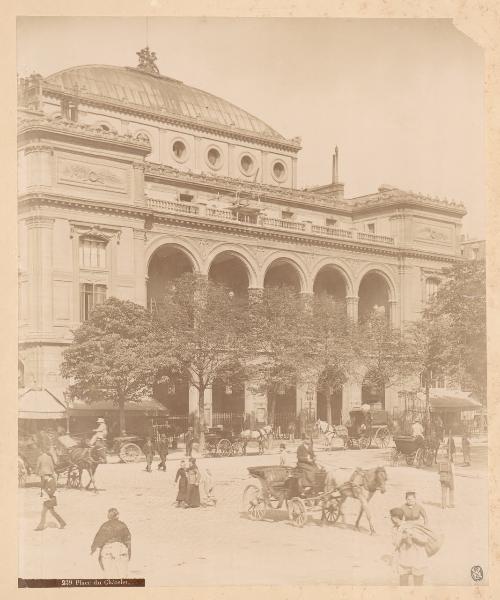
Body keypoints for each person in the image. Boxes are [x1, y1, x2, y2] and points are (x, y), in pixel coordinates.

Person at [389, 507, 428, 586]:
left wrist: (412, 534)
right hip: (404, 560)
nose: (390, 519)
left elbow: (424, 540)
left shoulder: (411, 526)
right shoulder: (395, 529)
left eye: (391, 517)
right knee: (403, 586)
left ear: (395, 518)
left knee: (418, 587)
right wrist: (403, 536)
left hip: (417, 560)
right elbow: (395, 543)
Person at [91, 508, 131, 578]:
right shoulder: (123, 525)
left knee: (108, 575)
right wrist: (129, 552)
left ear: (108, 516)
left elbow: (98, 539)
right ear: (117, 516)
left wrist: (93, 549)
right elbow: (128, 539)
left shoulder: (105, 525)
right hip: (121, 547)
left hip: (108, 548)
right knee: (123, 575)